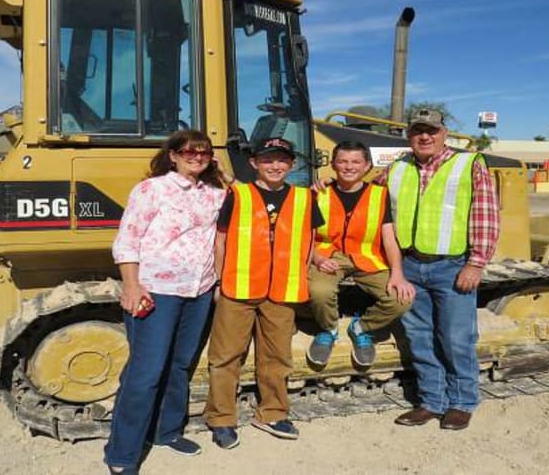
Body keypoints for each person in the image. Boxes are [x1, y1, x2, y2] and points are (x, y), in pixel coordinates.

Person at [103, 130, 231, 475]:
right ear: (173, 154)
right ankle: (123, 452)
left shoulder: (215, 194)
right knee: (146, 372)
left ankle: (166, 431)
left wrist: (222, 172)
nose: (197, 157)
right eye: (189, 151)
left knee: (179, 365)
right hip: (157, 289)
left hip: (198, 290)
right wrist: (131, 285)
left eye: (203, 152)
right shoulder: (151, 189)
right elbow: (127, 239)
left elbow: (242, 201)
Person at [379, 109, 500, 431]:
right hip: (409, 265)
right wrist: (327, 186)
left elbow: (485, 214)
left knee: (456, 338)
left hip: (452, 266)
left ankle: (462, 402)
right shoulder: (397, 167)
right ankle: (431, 402)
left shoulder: (468, 164)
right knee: (419, 338)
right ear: (409, 136)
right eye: (417, 130)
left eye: (431, 130)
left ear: (444, 133)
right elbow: (363, 195)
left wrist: (476, 263)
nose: (424, 136)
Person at [204, 137, 323, 449]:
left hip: (282, 290)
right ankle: (222, 419)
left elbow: (309, 242)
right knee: (226, 357)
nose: (275, 165)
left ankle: (271, 413)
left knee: (276, 357)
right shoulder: (239, 194)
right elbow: (220, 241)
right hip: (238, 287)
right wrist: (219, 282)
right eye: (268, 159)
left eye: (282, 159)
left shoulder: (304, 199)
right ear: (254, 162)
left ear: (292, 164)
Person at [307, 140, 415, 368]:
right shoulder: (318, 193)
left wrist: (398, 274)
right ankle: (328, 329)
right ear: (333, 165)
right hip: (329, 255)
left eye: (356, 161)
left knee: (401, 299)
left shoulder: (380, 195)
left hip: (368, 256)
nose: (349, 167)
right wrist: (317, 258)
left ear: (367, 166)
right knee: (319, 290)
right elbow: (305, 233)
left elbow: (389, 237)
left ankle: (361, 328)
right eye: (343, 161)